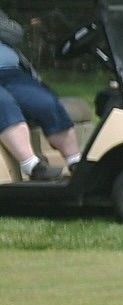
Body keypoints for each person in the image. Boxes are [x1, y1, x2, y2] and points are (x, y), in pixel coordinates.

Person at [0, 10, 83, 181]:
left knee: (44, 102)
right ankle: (32, 166)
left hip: (11, 73)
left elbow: (15, 34)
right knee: (3, 102)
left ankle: (76, 162)